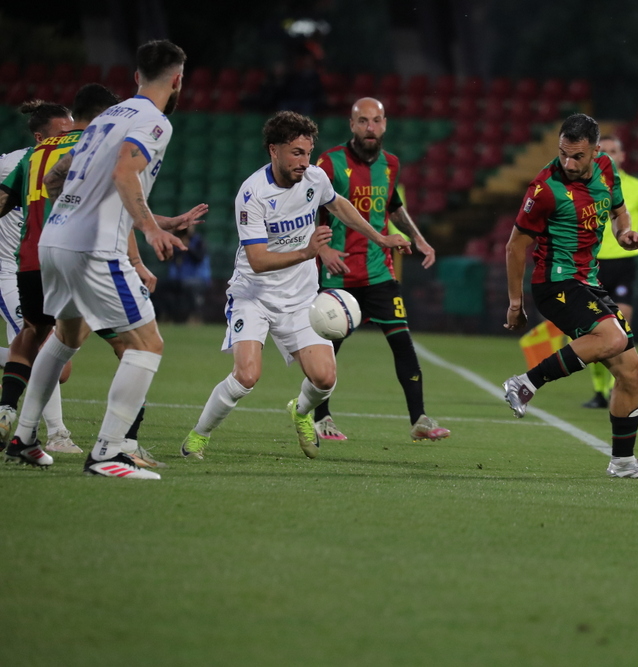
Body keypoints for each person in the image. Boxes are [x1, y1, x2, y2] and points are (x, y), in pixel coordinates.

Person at [0, 40, 190, 479]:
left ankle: (25, 437)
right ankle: (108, 453)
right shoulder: (154, 122)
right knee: (148, 345)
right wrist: (149, 227)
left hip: (55, 239)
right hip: (94, 247)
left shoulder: (108, 116)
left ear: (136, 76)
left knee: (64, 337)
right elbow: (125, 172)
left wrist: (72, 206)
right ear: (177, 80)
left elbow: (54, 176)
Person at [180, 111, 410, 460]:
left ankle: (300, 411)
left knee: (324, 378)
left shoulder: (315, 178)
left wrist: (379, 236)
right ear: (274, 150)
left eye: (307, 152)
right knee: (246, 376)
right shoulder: (252, 194)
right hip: (254, 295)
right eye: (296, 153)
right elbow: (257, 261)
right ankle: (199, 436)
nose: (305, 161)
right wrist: (307, 252)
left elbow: (340, 205)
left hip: (300, 298)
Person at [502, 113, 638, 480]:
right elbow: (515, 247)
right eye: (563, 153)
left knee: (632, 371)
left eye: (577, 156)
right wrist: (516, 304)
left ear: (595, 151)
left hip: (587, 282)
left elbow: (620, 211)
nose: (568, 163)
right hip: (555, 283)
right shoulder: (544, 189)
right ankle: (526, 383)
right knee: (612, 337)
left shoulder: (606, 168)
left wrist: (625, 233)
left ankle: (623, 462)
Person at [312, 97, 449, 443]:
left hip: (379, 273)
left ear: (385, 124)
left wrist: (419, 239)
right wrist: (323, 248)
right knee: (328, 352)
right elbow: (310, 207)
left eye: (376, 121)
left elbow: (393, 206)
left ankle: (419, 418)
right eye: (363, 121)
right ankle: (320, 417)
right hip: (339, 273)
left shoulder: (390, 165)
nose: (370, 128)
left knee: (403, 343)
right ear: (352, 124)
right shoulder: (330, 162)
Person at [0, 101, 74, 452]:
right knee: (50, 359)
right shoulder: (14, 161)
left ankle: (22, 431)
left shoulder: (62, 157)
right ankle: (56, 435)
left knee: (55, 361)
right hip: (10, 270)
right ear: (40, 135)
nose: (70, 134)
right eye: (64, 129)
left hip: (45, 265)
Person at [581, 134, 638, 409]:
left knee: (620, 324)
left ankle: (613, 385)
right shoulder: (583, 187)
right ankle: (599, 390)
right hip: (591, 264)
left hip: (623, 264)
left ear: (622, 156)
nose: (608, 155)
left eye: (613, 151)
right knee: (593, 330)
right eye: (602, 150)